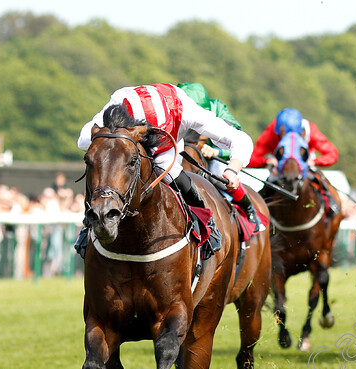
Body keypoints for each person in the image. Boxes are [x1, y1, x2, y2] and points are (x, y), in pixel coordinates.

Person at [73, 83, 261, 258]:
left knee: (168, 171)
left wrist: (233, 169)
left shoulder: (185, 109)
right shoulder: (121, 100)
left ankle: (206, 224)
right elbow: (83, 139)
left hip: (166, 146)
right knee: (100, 163)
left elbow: (240, 139)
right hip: (126, 146)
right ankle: (87, 225)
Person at [248, 108, 340, 215]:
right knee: (265, 192)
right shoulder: (271, 132)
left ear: (301, 131)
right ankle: (256, 214)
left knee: (320, 181)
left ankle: (330, 204)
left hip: (305, 166)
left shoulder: (311, 130)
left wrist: (315, 162)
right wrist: (266, 161)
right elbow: (249, 158)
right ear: (279, 131)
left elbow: (332, 154)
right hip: (279, 170)